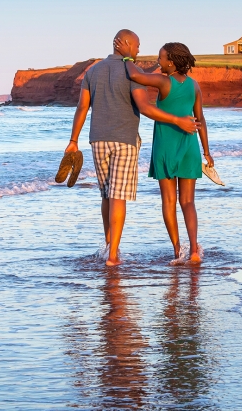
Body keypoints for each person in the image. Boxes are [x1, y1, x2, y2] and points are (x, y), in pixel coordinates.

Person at [64, 30, 200, 266]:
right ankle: (114, 255)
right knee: (118, 196)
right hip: (125, 139)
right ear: (125, 44)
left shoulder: (93, 71)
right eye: (137, 45)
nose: (138, 50)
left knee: (106, 194)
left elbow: (82, 107)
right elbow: (145, 108)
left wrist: (73, 140)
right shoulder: (132, 74)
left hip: (97, 139)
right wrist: (178, 121)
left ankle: (108, 248)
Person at [114, 38, 213, 264]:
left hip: (165, 147)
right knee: (188, 202)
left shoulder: (163, 82)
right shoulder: (194, 85)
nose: (159, 61)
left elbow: (135, 76)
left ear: (171, 62)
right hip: (190, 147)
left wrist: (127, 56)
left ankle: (178, 251)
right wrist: (207, 151)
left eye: (161, 57)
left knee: (169, 201)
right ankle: (195, 251)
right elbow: (201, 119)